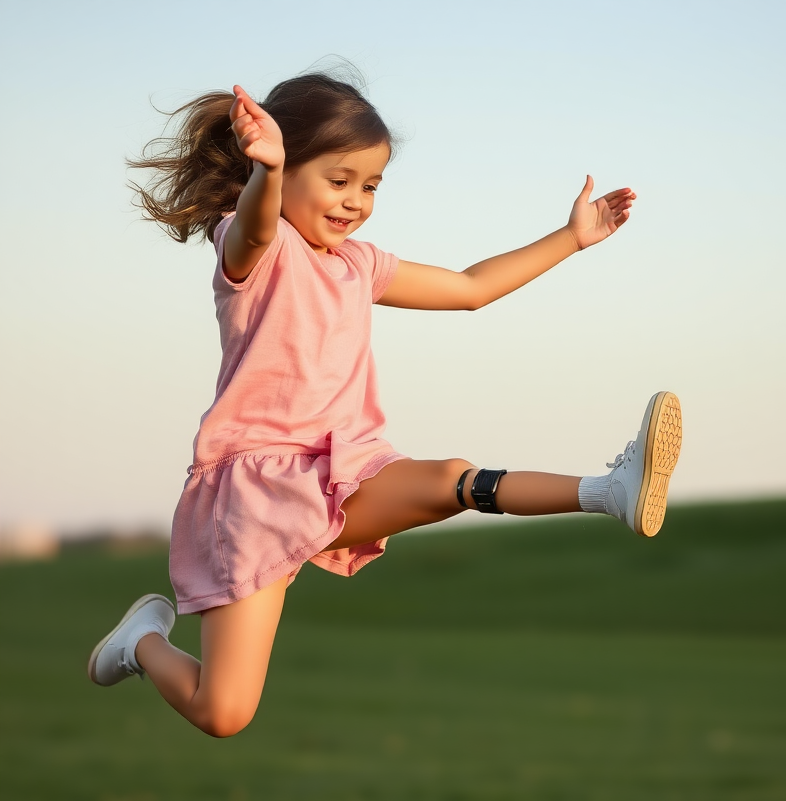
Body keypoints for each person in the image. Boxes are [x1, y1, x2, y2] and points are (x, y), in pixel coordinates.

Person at [88, 69, 682, 737]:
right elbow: (256, 226)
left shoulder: (359, 264)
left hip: (345, 467)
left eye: (370, 186)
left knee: (453, 480)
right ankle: (141, 640)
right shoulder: (256, 247)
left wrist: (571, 238)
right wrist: (268, 173)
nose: (355, 202)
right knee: (223, 712)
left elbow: (468, 288)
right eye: (339, 181)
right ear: (284, 167)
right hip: (255, 492)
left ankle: (611, 489)